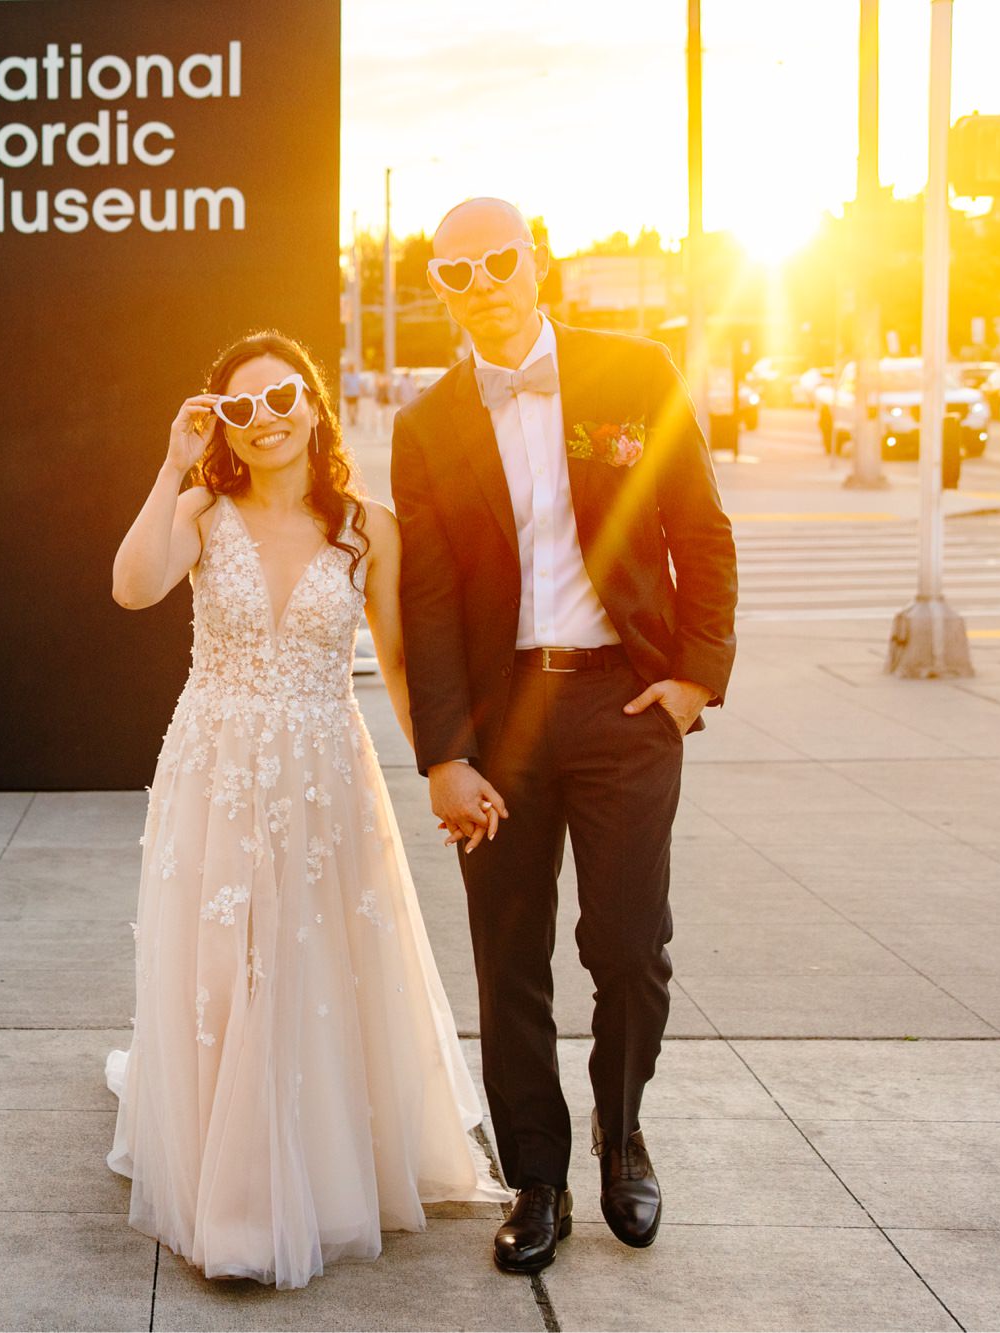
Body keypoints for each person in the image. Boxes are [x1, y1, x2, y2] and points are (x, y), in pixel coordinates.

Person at [107, 330, 504, 1290]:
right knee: (227, 960)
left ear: (314, 402)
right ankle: (237, 1201)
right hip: (218, 764)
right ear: (222, 428)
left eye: (281, 398)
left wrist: (444, 769)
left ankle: (313, 1171)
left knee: (308, 956)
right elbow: (131, 587)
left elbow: (402, 669)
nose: (265, 421)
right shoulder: (203, 509)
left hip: (326, 768)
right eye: (239, 410)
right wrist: (170, 466)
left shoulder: (369, 525)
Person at [392, 199, 737, 1273]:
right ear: (439, 290)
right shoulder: (425, 422)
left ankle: (620, 1135)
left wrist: (692, 677)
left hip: (621, 705)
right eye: (456, 271)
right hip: (499, 726)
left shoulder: (631, 371)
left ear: (534, 263)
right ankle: (534, 1178)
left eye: (498, 260)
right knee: (507, 959)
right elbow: (430, 603)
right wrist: (444, 753)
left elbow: (699, 528)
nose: (483, 282)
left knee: (628, 947)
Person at [340, 362, 363, 426]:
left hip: (351, 394)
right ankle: (352, 419)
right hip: (353, 394)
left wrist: (343, 393)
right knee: (353, 407)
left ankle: (352, 418)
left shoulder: (348, 376)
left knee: (352, 407)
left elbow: (344, 385)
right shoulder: (349, 376)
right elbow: (359, 384)